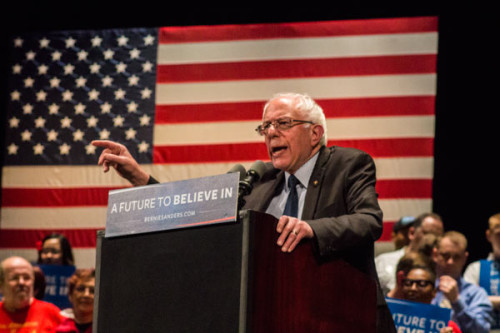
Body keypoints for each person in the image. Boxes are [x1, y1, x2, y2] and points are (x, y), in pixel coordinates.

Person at [92, 92, 396, 332]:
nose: (271, 133)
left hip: (342, 315)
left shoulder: (347, 165)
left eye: (283, 124)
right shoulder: (261, 182)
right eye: (265, 127)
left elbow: (369, 220)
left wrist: (312, 229)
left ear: (315, 133)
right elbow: (199, 216)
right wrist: (141, 180)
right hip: (272, 319)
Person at [432, 231, 493, 333]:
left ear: (465, 258)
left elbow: (482, 330)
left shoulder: (476, 294)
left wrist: (456, 301)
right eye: (445, 255)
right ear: (435, 255)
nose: (450, 262)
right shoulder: (423, 288)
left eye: (456, 257)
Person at [376, 212, 445, 295]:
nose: (431, 239)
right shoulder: (383, 262)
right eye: (426, 233)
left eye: (437, 236)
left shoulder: (441, 268)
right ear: (412, 233)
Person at [391, 253, 462, 332]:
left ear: (434, 292)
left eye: (422, 284)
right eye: (408, 283)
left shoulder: (447, 326)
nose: (413, 288)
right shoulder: (389, 321)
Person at [0, 256, 62, 331]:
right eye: (14, 278)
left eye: (26, 278)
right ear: (1, 285)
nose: (21, 282)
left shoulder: (51, 313)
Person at [464, 213, 500, 331]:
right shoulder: (475, 269)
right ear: (489, 235)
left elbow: (477, 300)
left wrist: (484, 299)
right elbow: (467, 303)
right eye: (499, 235)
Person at [56, 269, 95, 333]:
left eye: (92, 291)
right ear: (70, 295)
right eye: (81, 289)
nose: (86, 295)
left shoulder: (105, 328)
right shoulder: (58, 328)